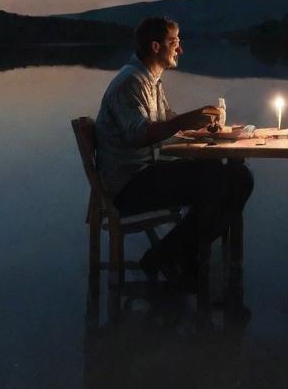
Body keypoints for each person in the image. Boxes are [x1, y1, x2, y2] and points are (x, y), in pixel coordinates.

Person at [94, 16, 254, 290]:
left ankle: (172, 253)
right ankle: (175, 256)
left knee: (240, 177)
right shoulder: (130, 83)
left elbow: (166, 122)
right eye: (175, 42)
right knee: (212, 175)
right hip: (126, 186)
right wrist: (183, 122)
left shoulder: (151, 81)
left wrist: (201, 130)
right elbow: (138, 135)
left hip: (146, 173)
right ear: (156, 46)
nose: (180, 49)